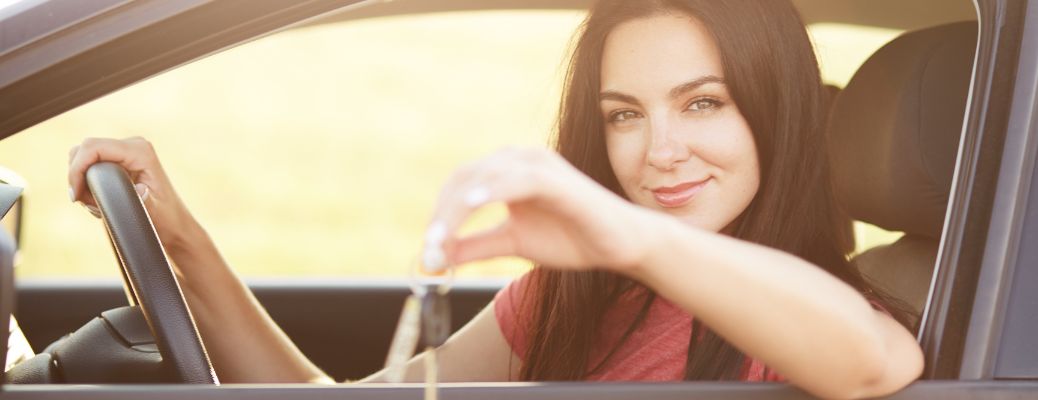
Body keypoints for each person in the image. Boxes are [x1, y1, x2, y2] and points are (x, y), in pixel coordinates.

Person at [66, 0, 923, 398]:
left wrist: (626, 234)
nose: (659, 153)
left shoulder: (812, 315)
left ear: (776, 110)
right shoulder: (577, 295)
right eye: (624, 115)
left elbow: (877, 361)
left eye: (705, 102)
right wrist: (181, 240)